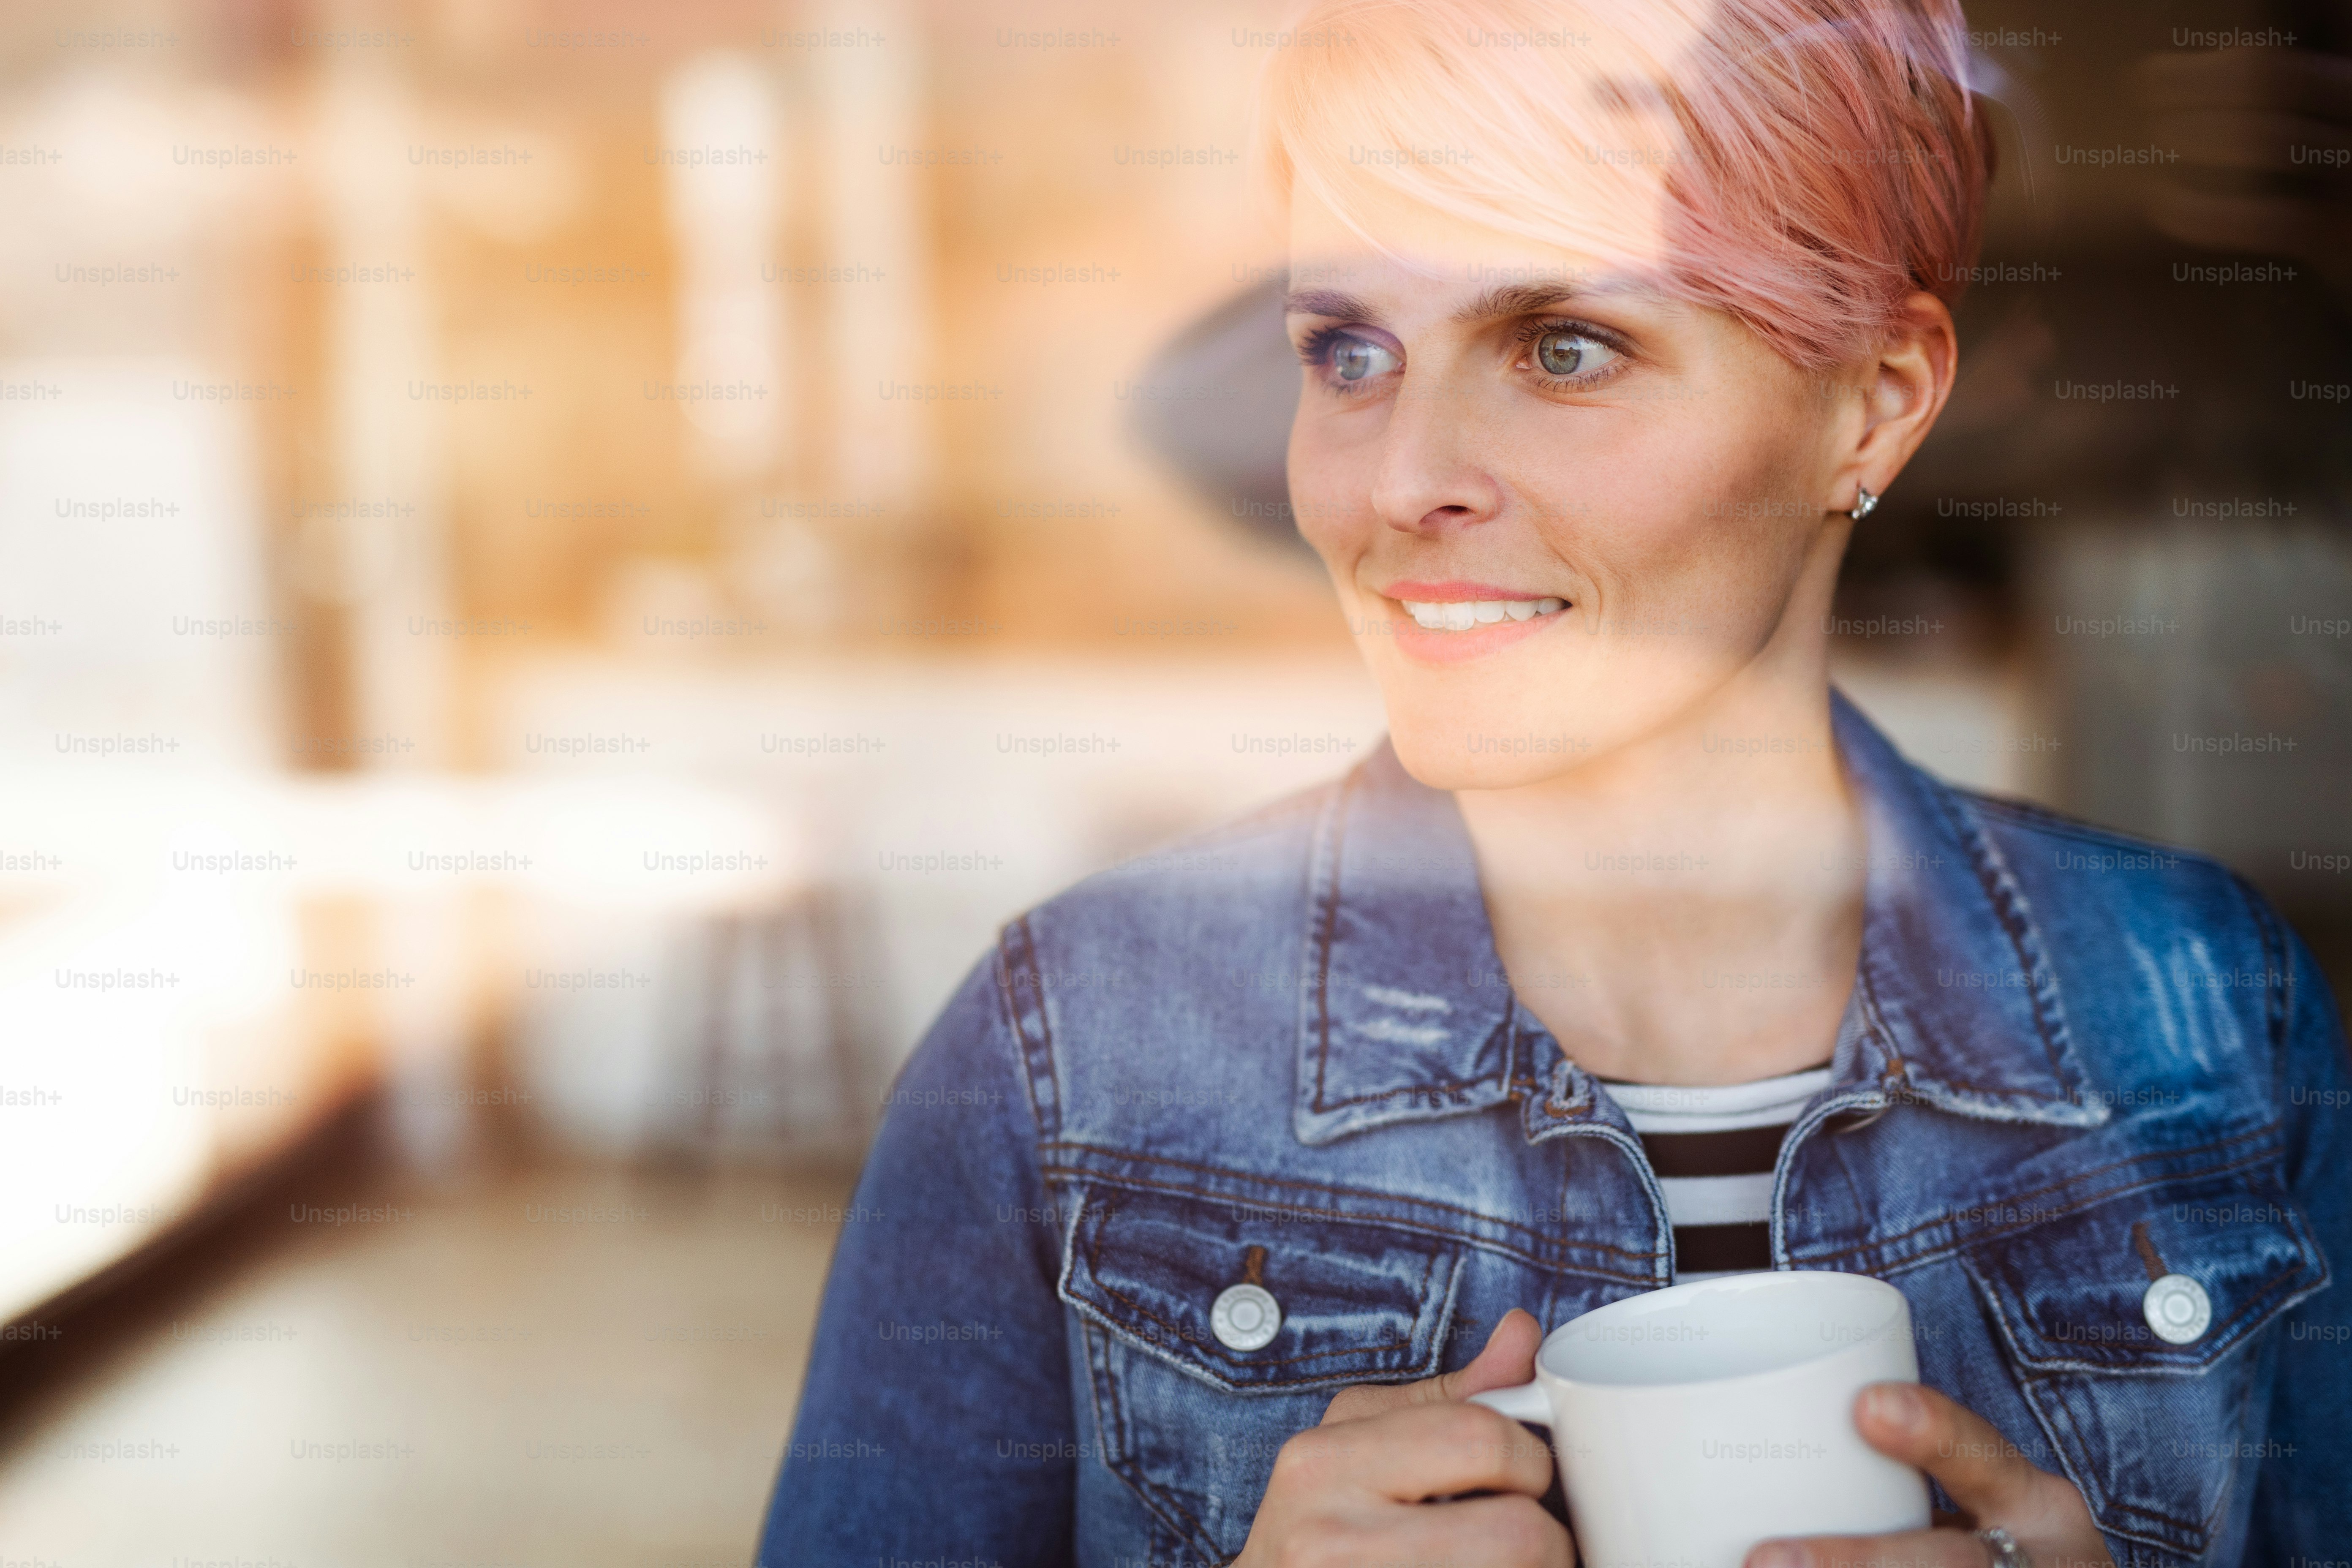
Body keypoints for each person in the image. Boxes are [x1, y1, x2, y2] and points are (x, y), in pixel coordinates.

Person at [759, 1, 2352, 1563]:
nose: (1399, 480)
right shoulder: (1065, 1058)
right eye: (1350, 350)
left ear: (1877, 399)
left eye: (1564, 346)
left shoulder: (2210, 1015)